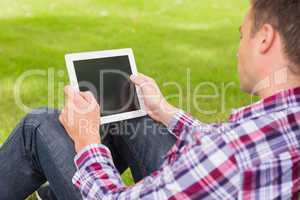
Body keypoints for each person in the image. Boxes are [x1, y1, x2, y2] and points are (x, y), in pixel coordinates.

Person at [1, 0, 300, 199]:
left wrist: (87, 140)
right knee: (135, 117)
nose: (238, 50)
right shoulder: (286, 119)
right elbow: (218, 142)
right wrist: (166, 111)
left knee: (38, 125)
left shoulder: (232, 154)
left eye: (242, 35)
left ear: (264, 38)